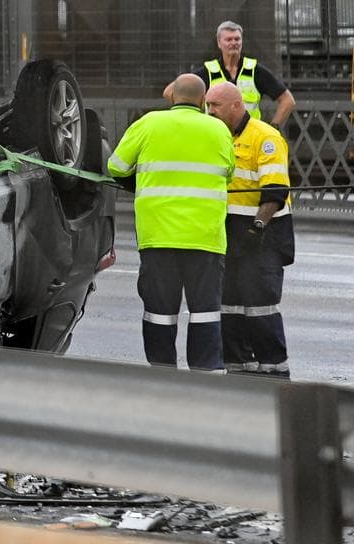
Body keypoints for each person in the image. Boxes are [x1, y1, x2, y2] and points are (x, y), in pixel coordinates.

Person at [108, 73, 234, 372]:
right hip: (205, 238)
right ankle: (206, 374)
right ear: (203, 101)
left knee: (160, 313)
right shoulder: (218, 129)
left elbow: (116, 166)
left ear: (172, 97)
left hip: (158, 237)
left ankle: (163, 372)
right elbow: (228, 172)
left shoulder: (149, 123)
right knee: (205, 313)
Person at [205, 83, 294, 378]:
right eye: (207, 105)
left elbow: (275, 193)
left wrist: (256, 228)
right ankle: (239, 370)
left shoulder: (265, 137)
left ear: (235, 105)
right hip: (230, 231)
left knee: (260, 308)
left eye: (215, 105)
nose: (210, 111)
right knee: (229, 307)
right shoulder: (216, 137)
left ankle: (274, 372)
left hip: (263, 232)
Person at [163, 20, 296, 128]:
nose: (234, 43)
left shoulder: (255, 70)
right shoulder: (208, 71)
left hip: (249, 139)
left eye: (237, 39)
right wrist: (197, 117)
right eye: (229, 40)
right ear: (219, 43)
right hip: (215, 136)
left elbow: (287, 100)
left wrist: (273, 129)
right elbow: (169, 91)